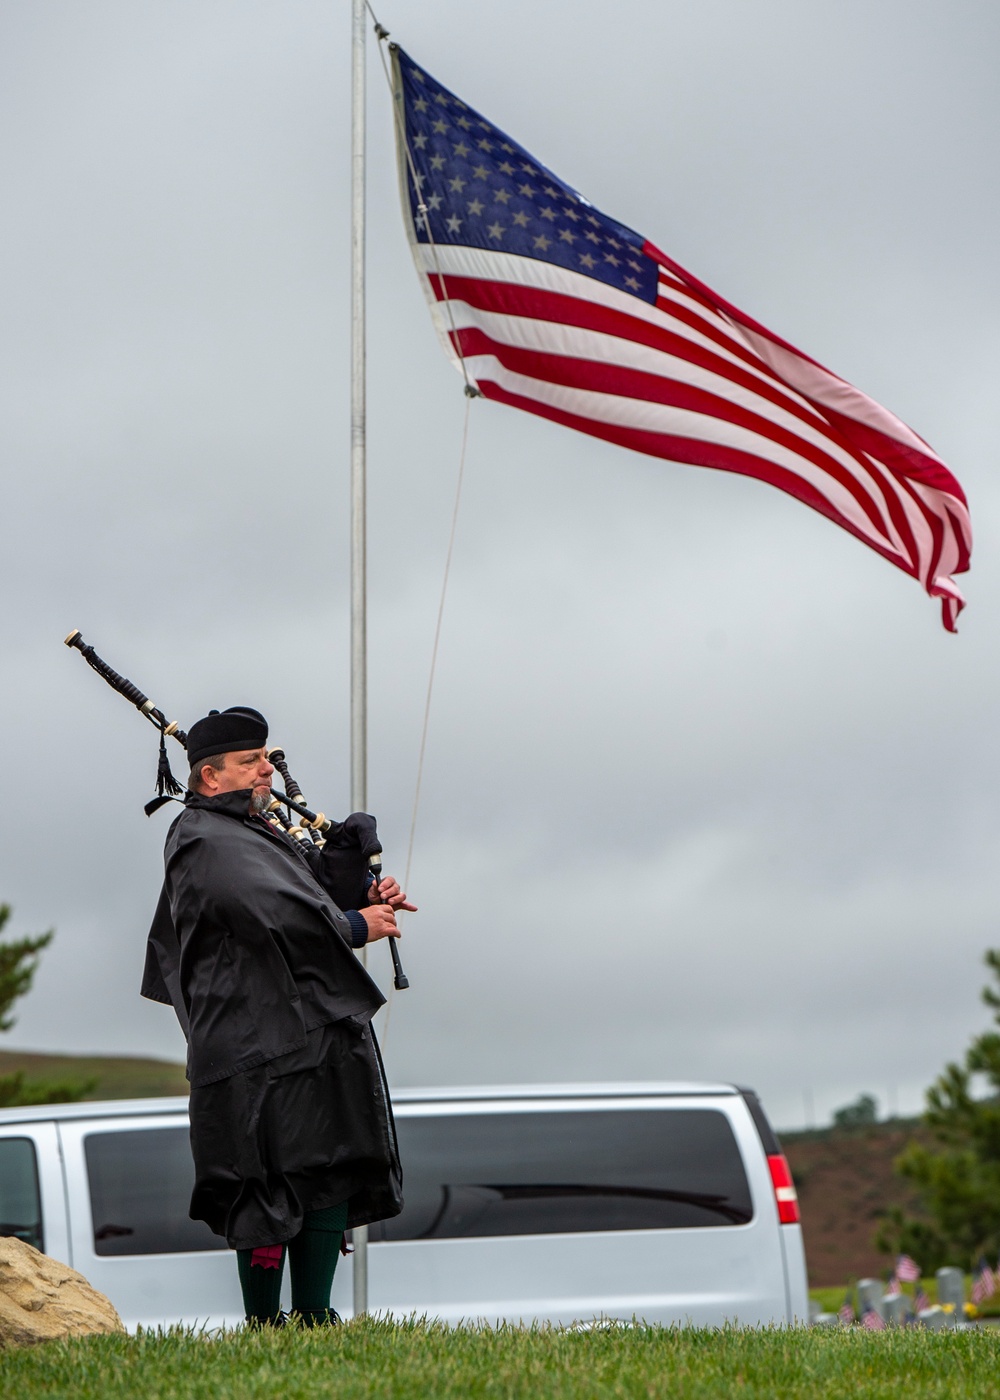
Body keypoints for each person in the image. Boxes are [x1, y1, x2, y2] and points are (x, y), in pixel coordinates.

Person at [141, 704, 415, 1327]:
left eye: (265, 758)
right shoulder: (201, 837)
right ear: (211, 777)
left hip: (307, 1031)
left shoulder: (255, 832)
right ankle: (264, 1326)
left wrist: (355, 883)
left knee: (327, 1165)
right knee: (258, 1182)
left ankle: (314, 1319)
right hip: (249, 1042)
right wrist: (352, 925)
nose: (267, 769)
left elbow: (302, 895)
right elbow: (260, 909)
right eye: (251, 761)